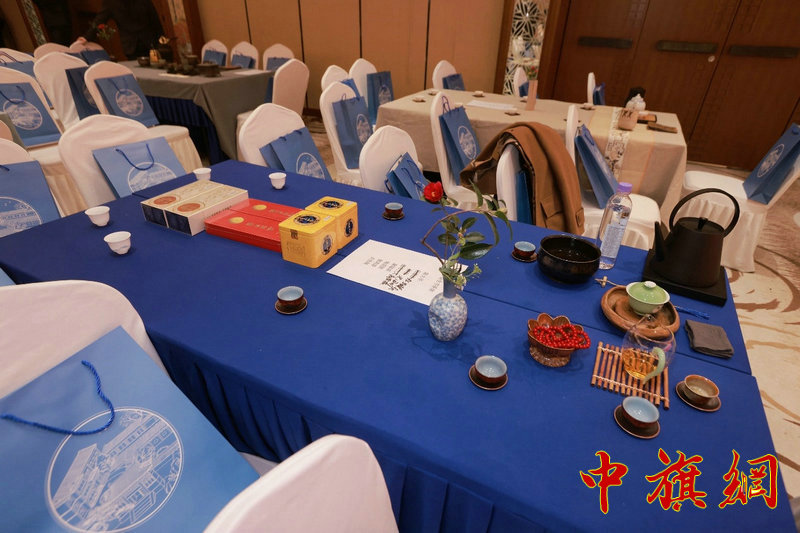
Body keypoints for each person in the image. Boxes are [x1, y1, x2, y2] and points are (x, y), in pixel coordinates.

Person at [85, 0, 164, 59]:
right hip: (130, 46)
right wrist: (86, 38)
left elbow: (154, 19)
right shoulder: (110, 2)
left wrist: (161, 41)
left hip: (150, 42)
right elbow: (99, 20)